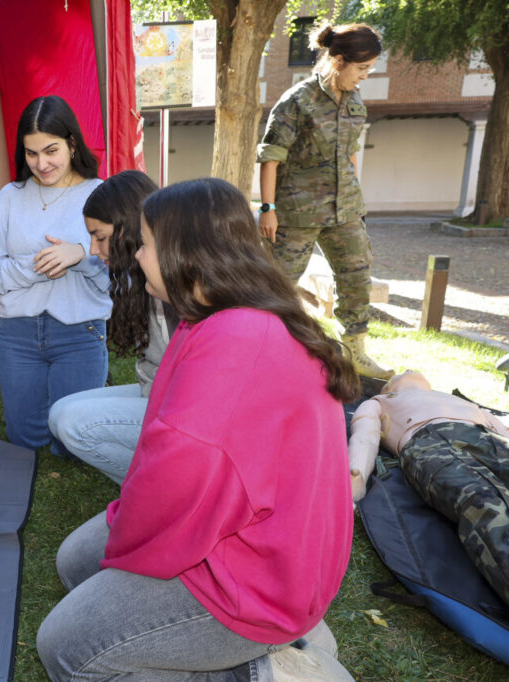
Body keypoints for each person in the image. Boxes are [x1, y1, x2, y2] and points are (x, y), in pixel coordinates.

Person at [36, 178, 360, 681]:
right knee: (77, 562)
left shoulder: (234, 341)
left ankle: (263, 670)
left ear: (181, 253)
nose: (136, 254)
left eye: (144, 244)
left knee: (66, 648)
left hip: (262, 579)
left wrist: (132, 551)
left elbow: (176, 487)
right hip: (258, 539)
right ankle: (272, 643)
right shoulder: (214, 316)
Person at [257, 21, 391, 380]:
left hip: (344, 208)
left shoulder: (355, 99)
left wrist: (357, 201)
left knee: (357, 276)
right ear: (338, 60)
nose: (365, 76)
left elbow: (349, 154)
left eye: (370, 69)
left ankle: (356, 351)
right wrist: (267, 209)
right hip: (296, 212)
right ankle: (267, 351)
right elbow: (271, 157)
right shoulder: (297, 100)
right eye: (362, 68)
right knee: (278, 285)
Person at [0, 95, 109, 450]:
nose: (41, 163)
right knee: (24, 441)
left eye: (51, 151)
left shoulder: (102, 194)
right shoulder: (9, 196)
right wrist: (39, 265)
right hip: (17, 334)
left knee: (75, 443)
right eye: (31, 153)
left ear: (72, 143)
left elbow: (119, 278)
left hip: (80, 331)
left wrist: (80, 255)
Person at [47, 170, 174, 483]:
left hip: (178, 407)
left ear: (130, 228)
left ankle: (159, 491)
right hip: (156, 393)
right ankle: (153, 482)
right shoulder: (141, 275)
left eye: (100, 237)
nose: (93, 249)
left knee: (73, 423)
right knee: (62, 411)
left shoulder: (172, 279)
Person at [348, 370, 509, 602]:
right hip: (429, 441)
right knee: (483, 503)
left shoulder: (458, 401)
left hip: (484, 435)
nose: (407, 369)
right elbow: (365, 437)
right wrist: (355, 481)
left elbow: (502, 431)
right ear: (387, 388)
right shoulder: (380, 401)